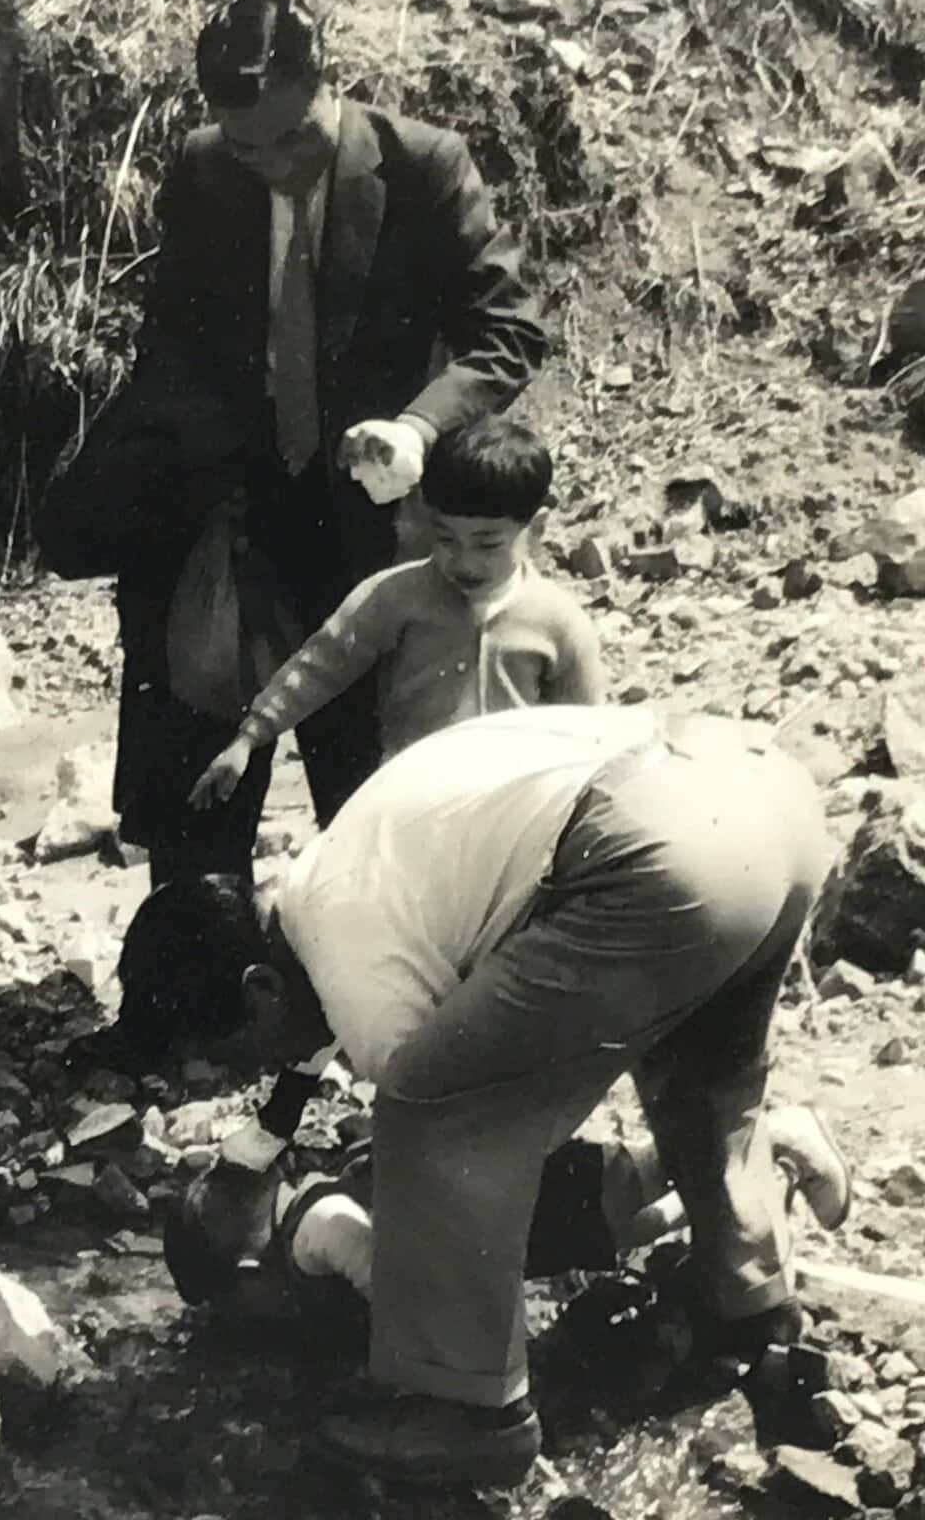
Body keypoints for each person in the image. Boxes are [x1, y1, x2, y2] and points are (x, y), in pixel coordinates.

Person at [106, 705, 832, 1488]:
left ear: (258, 991)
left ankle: (471, 1413)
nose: (249, 1071)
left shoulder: (344, 940)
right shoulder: (326, 885)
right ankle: (747, 1294)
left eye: (236, 1053)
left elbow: (465, 1124)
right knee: (705, 1081)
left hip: (657, 850)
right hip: (761, 801)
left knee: (429, 1112)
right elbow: (311, 1040)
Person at [35, 0, 547, 886]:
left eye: (292, 139)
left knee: (376, 797)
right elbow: (174, 340)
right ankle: (191, 998)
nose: (272, 166)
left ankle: (365, 1007)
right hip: (234, 515)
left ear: (329, 88)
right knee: (195, 782)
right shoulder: (202, 170)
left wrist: (420, 428)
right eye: (247, 146)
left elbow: (506, 331)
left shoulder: (424, 166)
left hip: (372, 516)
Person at [189, 418, 603, 809]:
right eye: (446, 539)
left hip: (513, 803)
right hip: (415, 797)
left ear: (537, 527)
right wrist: (251, 736)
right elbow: (321, 664)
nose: (464, 562)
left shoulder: (558, 620)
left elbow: (586, 730)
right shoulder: (397, 596)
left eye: (488, 544)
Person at [164, 1106, 851, 1323]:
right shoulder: (300, 1219)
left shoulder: (317, 1230)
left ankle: (774, 1131)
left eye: (241, 1306)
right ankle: (757, 1174)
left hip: (525, 1200)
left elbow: (394, 1291)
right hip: (503, 1227)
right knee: (630, 1228)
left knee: (631, 1181)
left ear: (248, 1268)